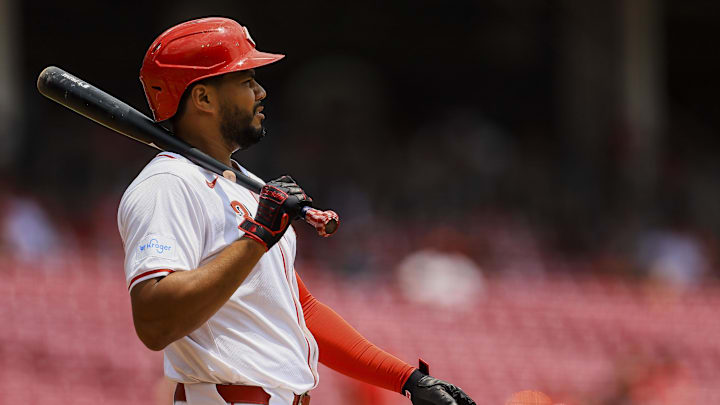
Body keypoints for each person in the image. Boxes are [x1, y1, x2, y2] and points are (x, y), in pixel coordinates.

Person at [118, 17, 475, 405]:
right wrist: (258, 238)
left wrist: (407, 379)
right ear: (203, 98)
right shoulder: (168, 184)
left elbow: (300, 309)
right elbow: (154, 323)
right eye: (245, 80)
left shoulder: (243, 185)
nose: (261, 91)